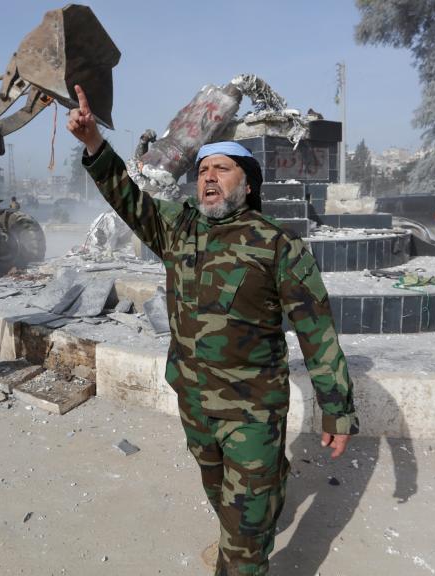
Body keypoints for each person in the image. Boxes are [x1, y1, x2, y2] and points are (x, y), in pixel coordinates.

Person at [67, 85, 358, 575]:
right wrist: (95, 142)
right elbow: (127, 198)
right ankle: (259, 505)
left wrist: (336, 408)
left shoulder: (278, 246)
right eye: (202, 170)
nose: (207, 177)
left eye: (221, 168)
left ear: (248, 182)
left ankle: (246, 544)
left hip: (251, 413)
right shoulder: (178, 229)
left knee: (244, 545)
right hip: (195, 404)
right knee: (222, 497)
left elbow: (318, 333)